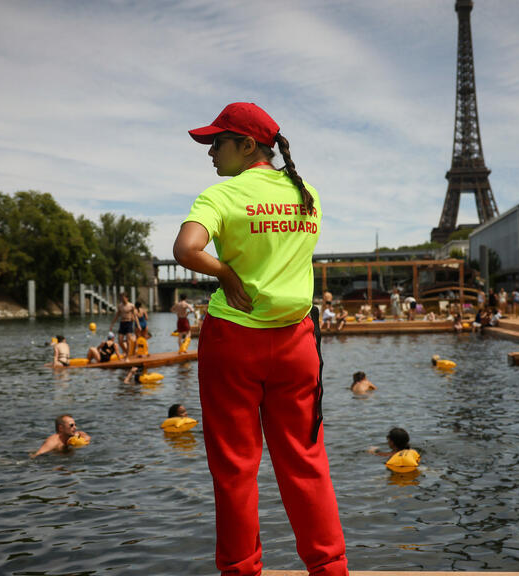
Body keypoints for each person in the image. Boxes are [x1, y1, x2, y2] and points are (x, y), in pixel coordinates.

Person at [172, 102, 347, 575]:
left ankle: (241, 570)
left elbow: (186, 250)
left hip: (234, 343)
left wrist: (225, 272)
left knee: (235, 470)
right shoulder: (306, 192)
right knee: (306, 463)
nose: (210, 153)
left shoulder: (221, 197)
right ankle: (330, 569)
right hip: (296, 345)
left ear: (247, 145)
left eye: (217, 142)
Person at [109, 292, 137, 358]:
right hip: (122, 323)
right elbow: (117, 315)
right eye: (121, 298)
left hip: (129, 323)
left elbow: (135, 316)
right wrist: (112, 324)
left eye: (123, 298)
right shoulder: (120, 306)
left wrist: (138, 325)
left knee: (128, 340)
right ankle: (126, 351)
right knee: (120, 341)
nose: (122, 299)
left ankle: (127, 357)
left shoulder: (131, 305)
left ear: (127, 298)